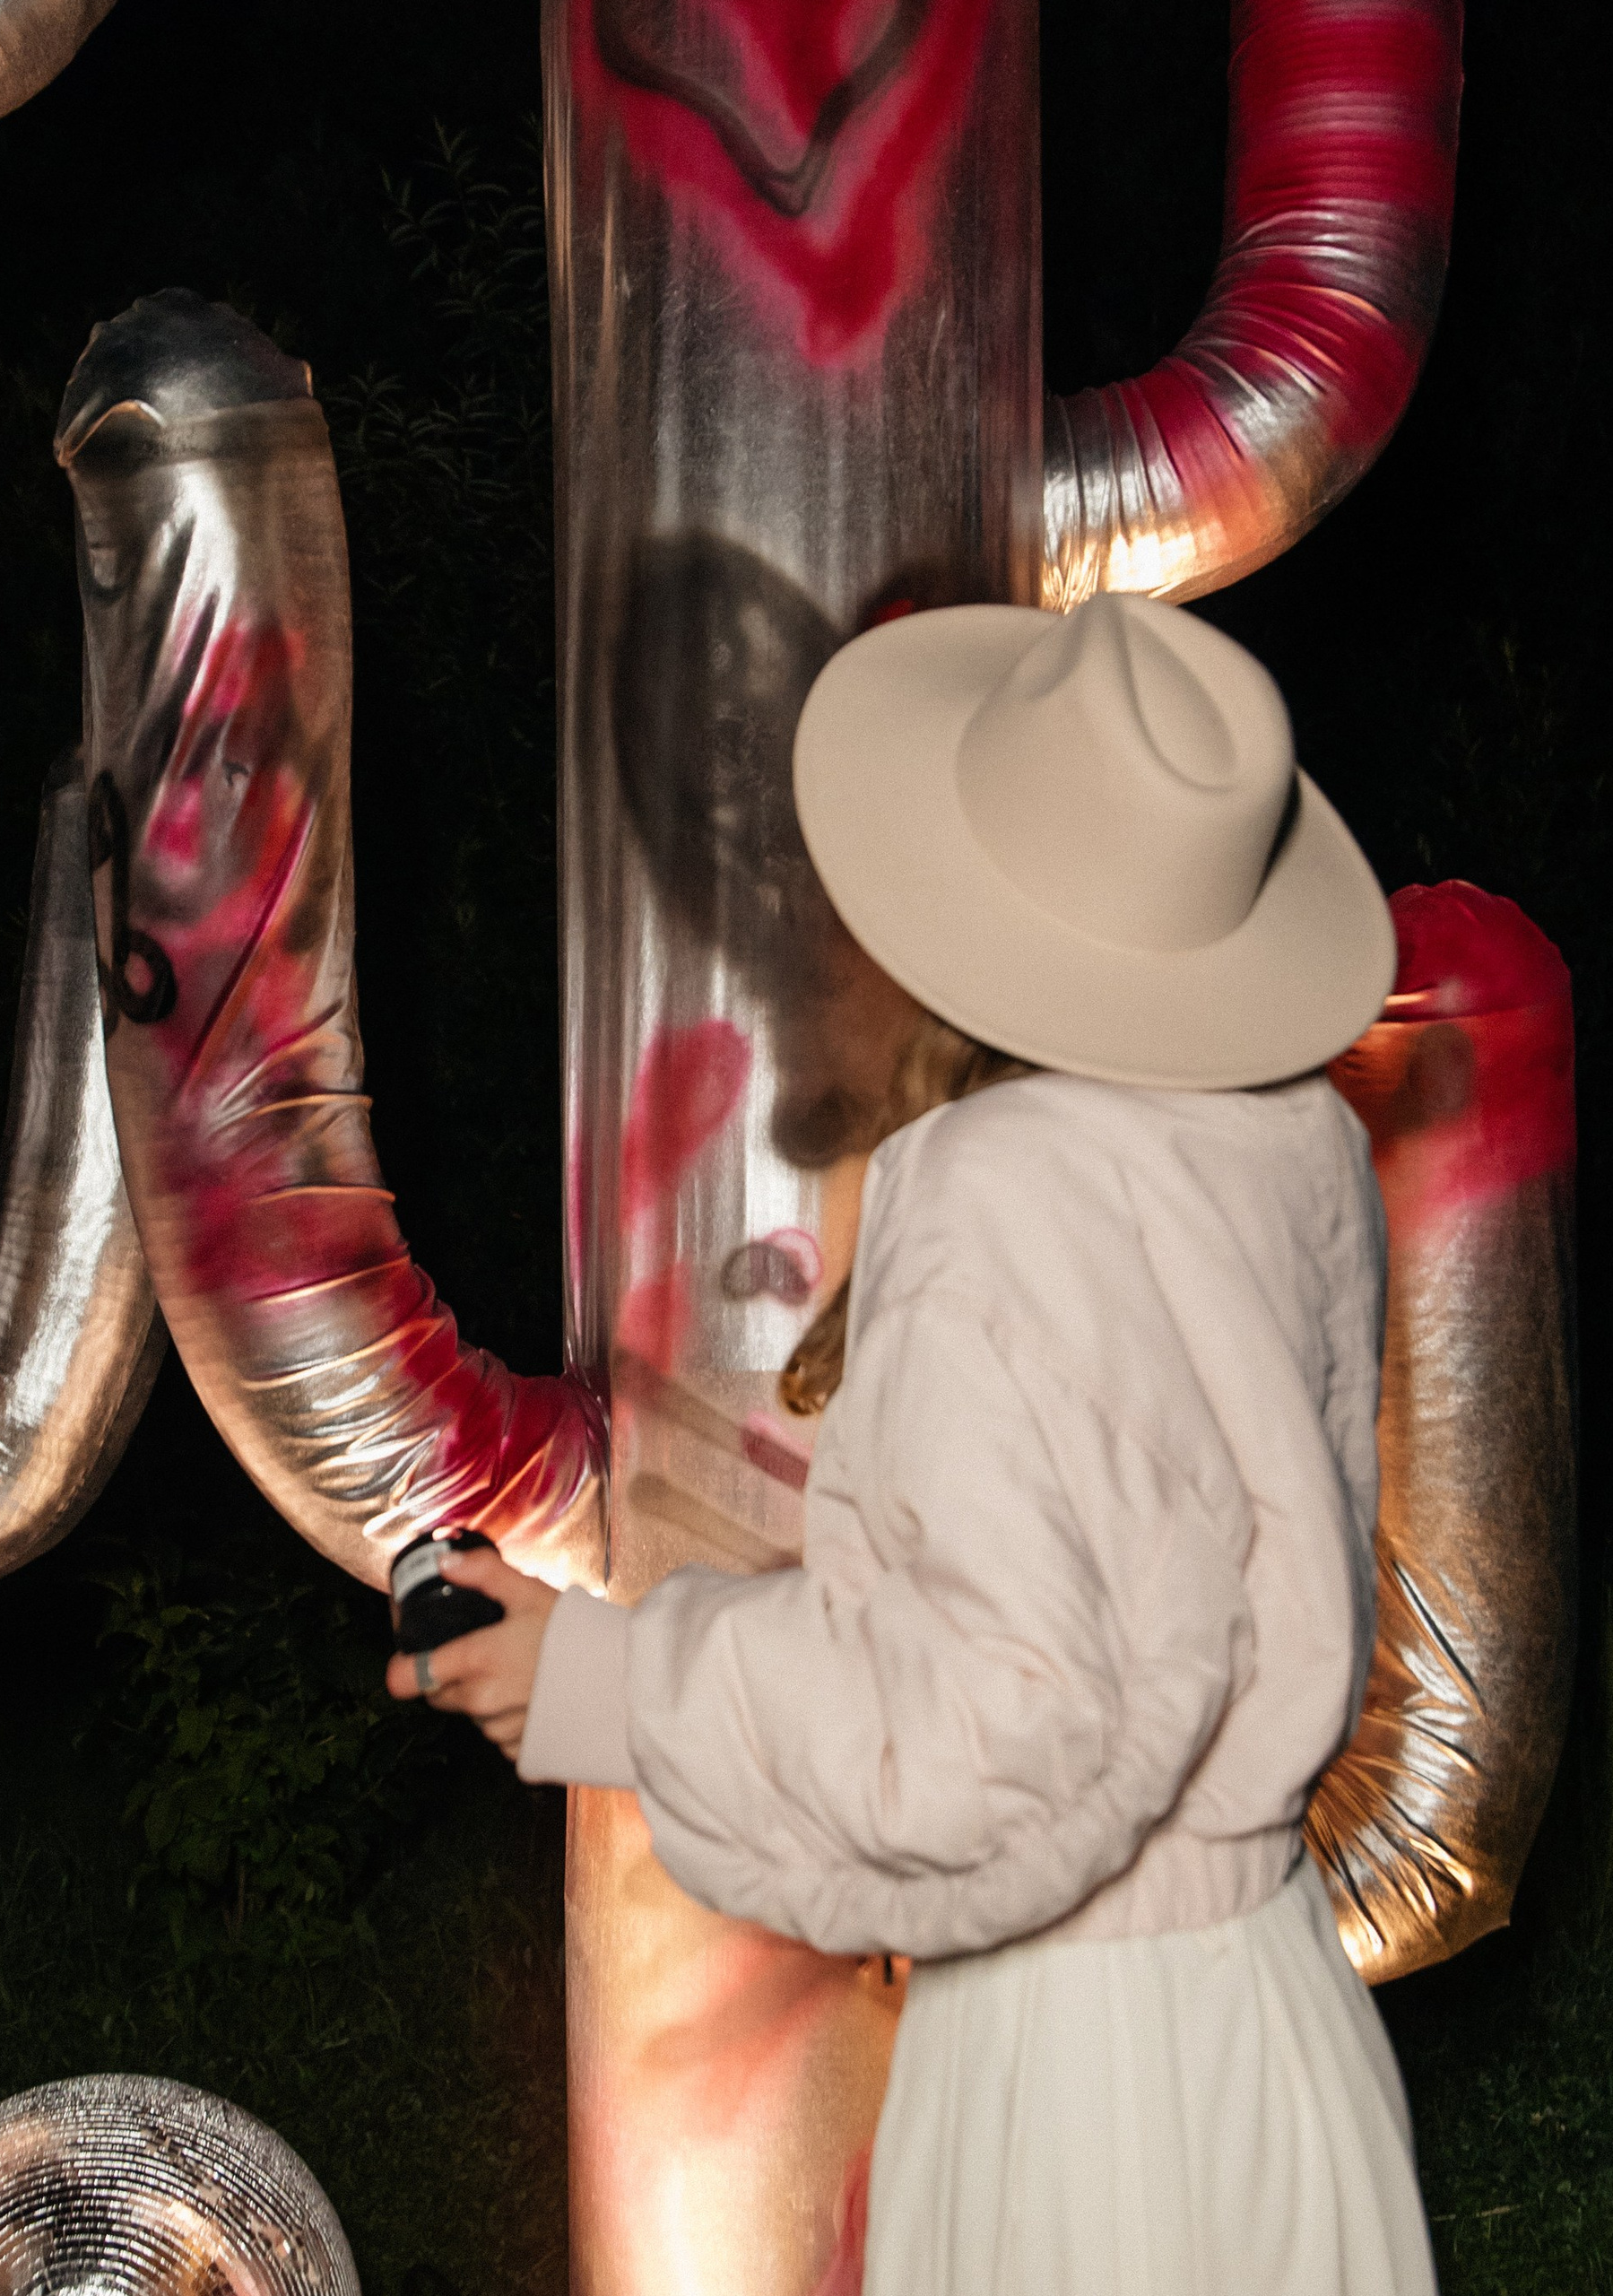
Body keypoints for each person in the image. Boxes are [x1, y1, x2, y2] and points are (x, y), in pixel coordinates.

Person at [386, 590, 1437, 2295]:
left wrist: (601, 1682)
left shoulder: (1009, 1188)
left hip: (1083, 2093)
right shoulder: (1289, 1149)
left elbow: (1005, 1724)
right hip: (1270, 2023)